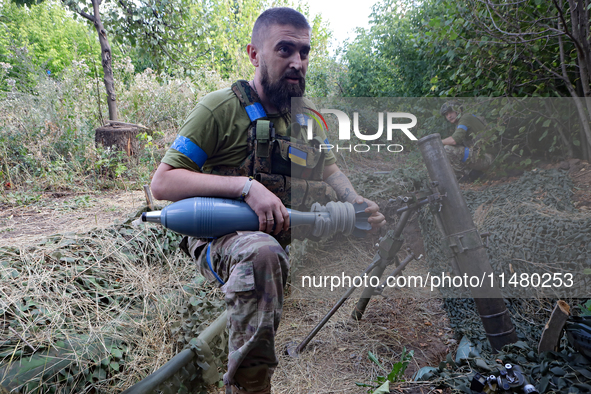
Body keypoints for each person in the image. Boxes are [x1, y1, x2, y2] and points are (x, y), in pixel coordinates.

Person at [150, 7, 385, 394]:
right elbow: (163, 182)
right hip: (217, 233)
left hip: (278, 231)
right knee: (263, 254)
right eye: (285, 50)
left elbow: (329, 169)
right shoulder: (219, 108)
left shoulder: (308, 117)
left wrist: (356, 201)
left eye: (305, 52)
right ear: (255, 54)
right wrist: (245, 187)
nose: (297, 62)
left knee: (269, 250)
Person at [440, 101, 493, 182]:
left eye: (451, 112)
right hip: (484, 156)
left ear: (459, 110)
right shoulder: (463, 120)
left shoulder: (465, 118)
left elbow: (454, 140)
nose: (449, 116)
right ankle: (475, 174)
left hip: (487, 158)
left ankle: (464, 177)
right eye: (446, 114)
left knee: (447, 149)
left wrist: (438, 142)